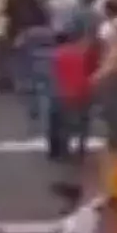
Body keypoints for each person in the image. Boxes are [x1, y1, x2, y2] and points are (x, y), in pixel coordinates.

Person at [47, 33, 97, 162]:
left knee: (64, 125)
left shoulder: (56, 55)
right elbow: (90, 70)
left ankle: (65, 151)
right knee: (84, 121)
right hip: (83, 90)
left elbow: (53, 76)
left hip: (63, 93)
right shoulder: (81, 53)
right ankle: (81, 148)